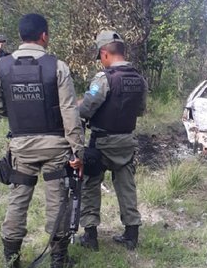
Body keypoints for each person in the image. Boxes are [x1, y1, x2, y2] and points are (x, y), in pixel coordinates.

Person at [0, 14, 84, 268]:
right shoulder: (57, 66)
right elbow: (70, 112)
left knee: (17, 201)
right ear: (44, 35)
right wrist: (78, 151)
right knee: (57, 202)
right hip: (56, 148)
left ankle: (11, 260)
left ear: (21, 35)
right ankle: (59, 260)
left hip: (21, 148)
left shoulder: (0, 67)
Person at [79, 30, 147, 251]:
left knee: (90, 185)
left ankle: (90, 237)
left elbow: (87, 108)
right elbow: (140, 111)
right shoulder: (139, 79)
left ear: (104, 53)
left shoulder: (104, 78)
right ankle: (131, 234)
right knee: (126, 186)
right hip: (127, 140)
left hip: (102, 143)